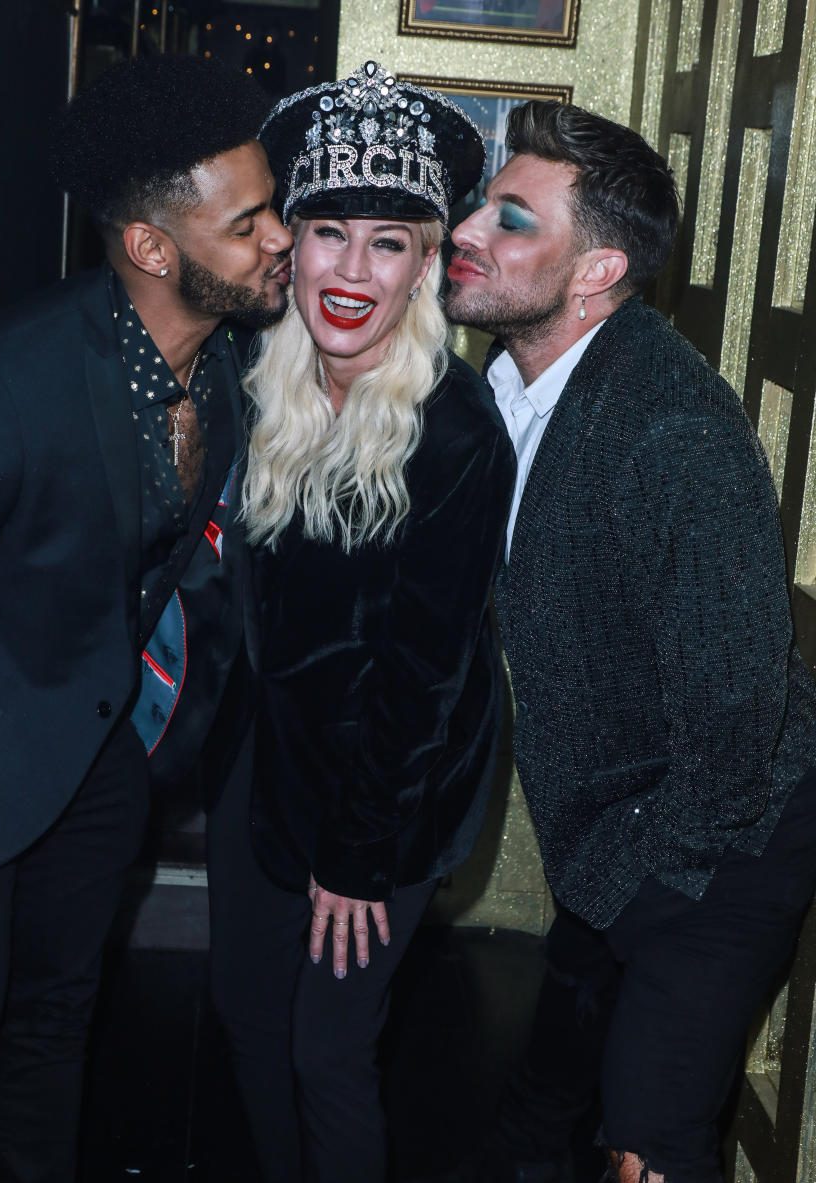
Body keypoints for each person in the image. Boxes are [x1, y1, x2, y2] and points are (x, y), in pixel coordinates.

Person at [0, 53, 292, 1182]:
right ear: (154, 247)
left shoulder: (235, 367)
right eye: (248, 224)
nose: (280, 237)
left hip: (99, 763)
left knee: (57, 1024)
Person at [441, 99, 816, 1183]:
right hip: (616, 836)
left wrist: (653, 884)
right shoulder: (504, 382)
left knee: (647, 1147)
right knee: (540, 1104)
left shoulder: (672, 433)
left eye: (512, 219)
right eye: (483, 205)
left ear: (597, 272)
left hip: (716, 846)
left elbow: (737, 712)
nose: (470, 230)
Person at [205, 61, 516, 1183]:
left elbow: (422, 677)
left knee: (326, 1049)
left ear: (427, 264)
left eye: (389, 241)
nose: (352, 269)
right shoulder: (254, 375)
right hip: (269, 751)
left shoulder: (457, 431)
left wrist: (357, 857)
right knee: (245, 1013)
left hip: (392, 780)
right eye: (329, 232)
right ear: (291, 245)